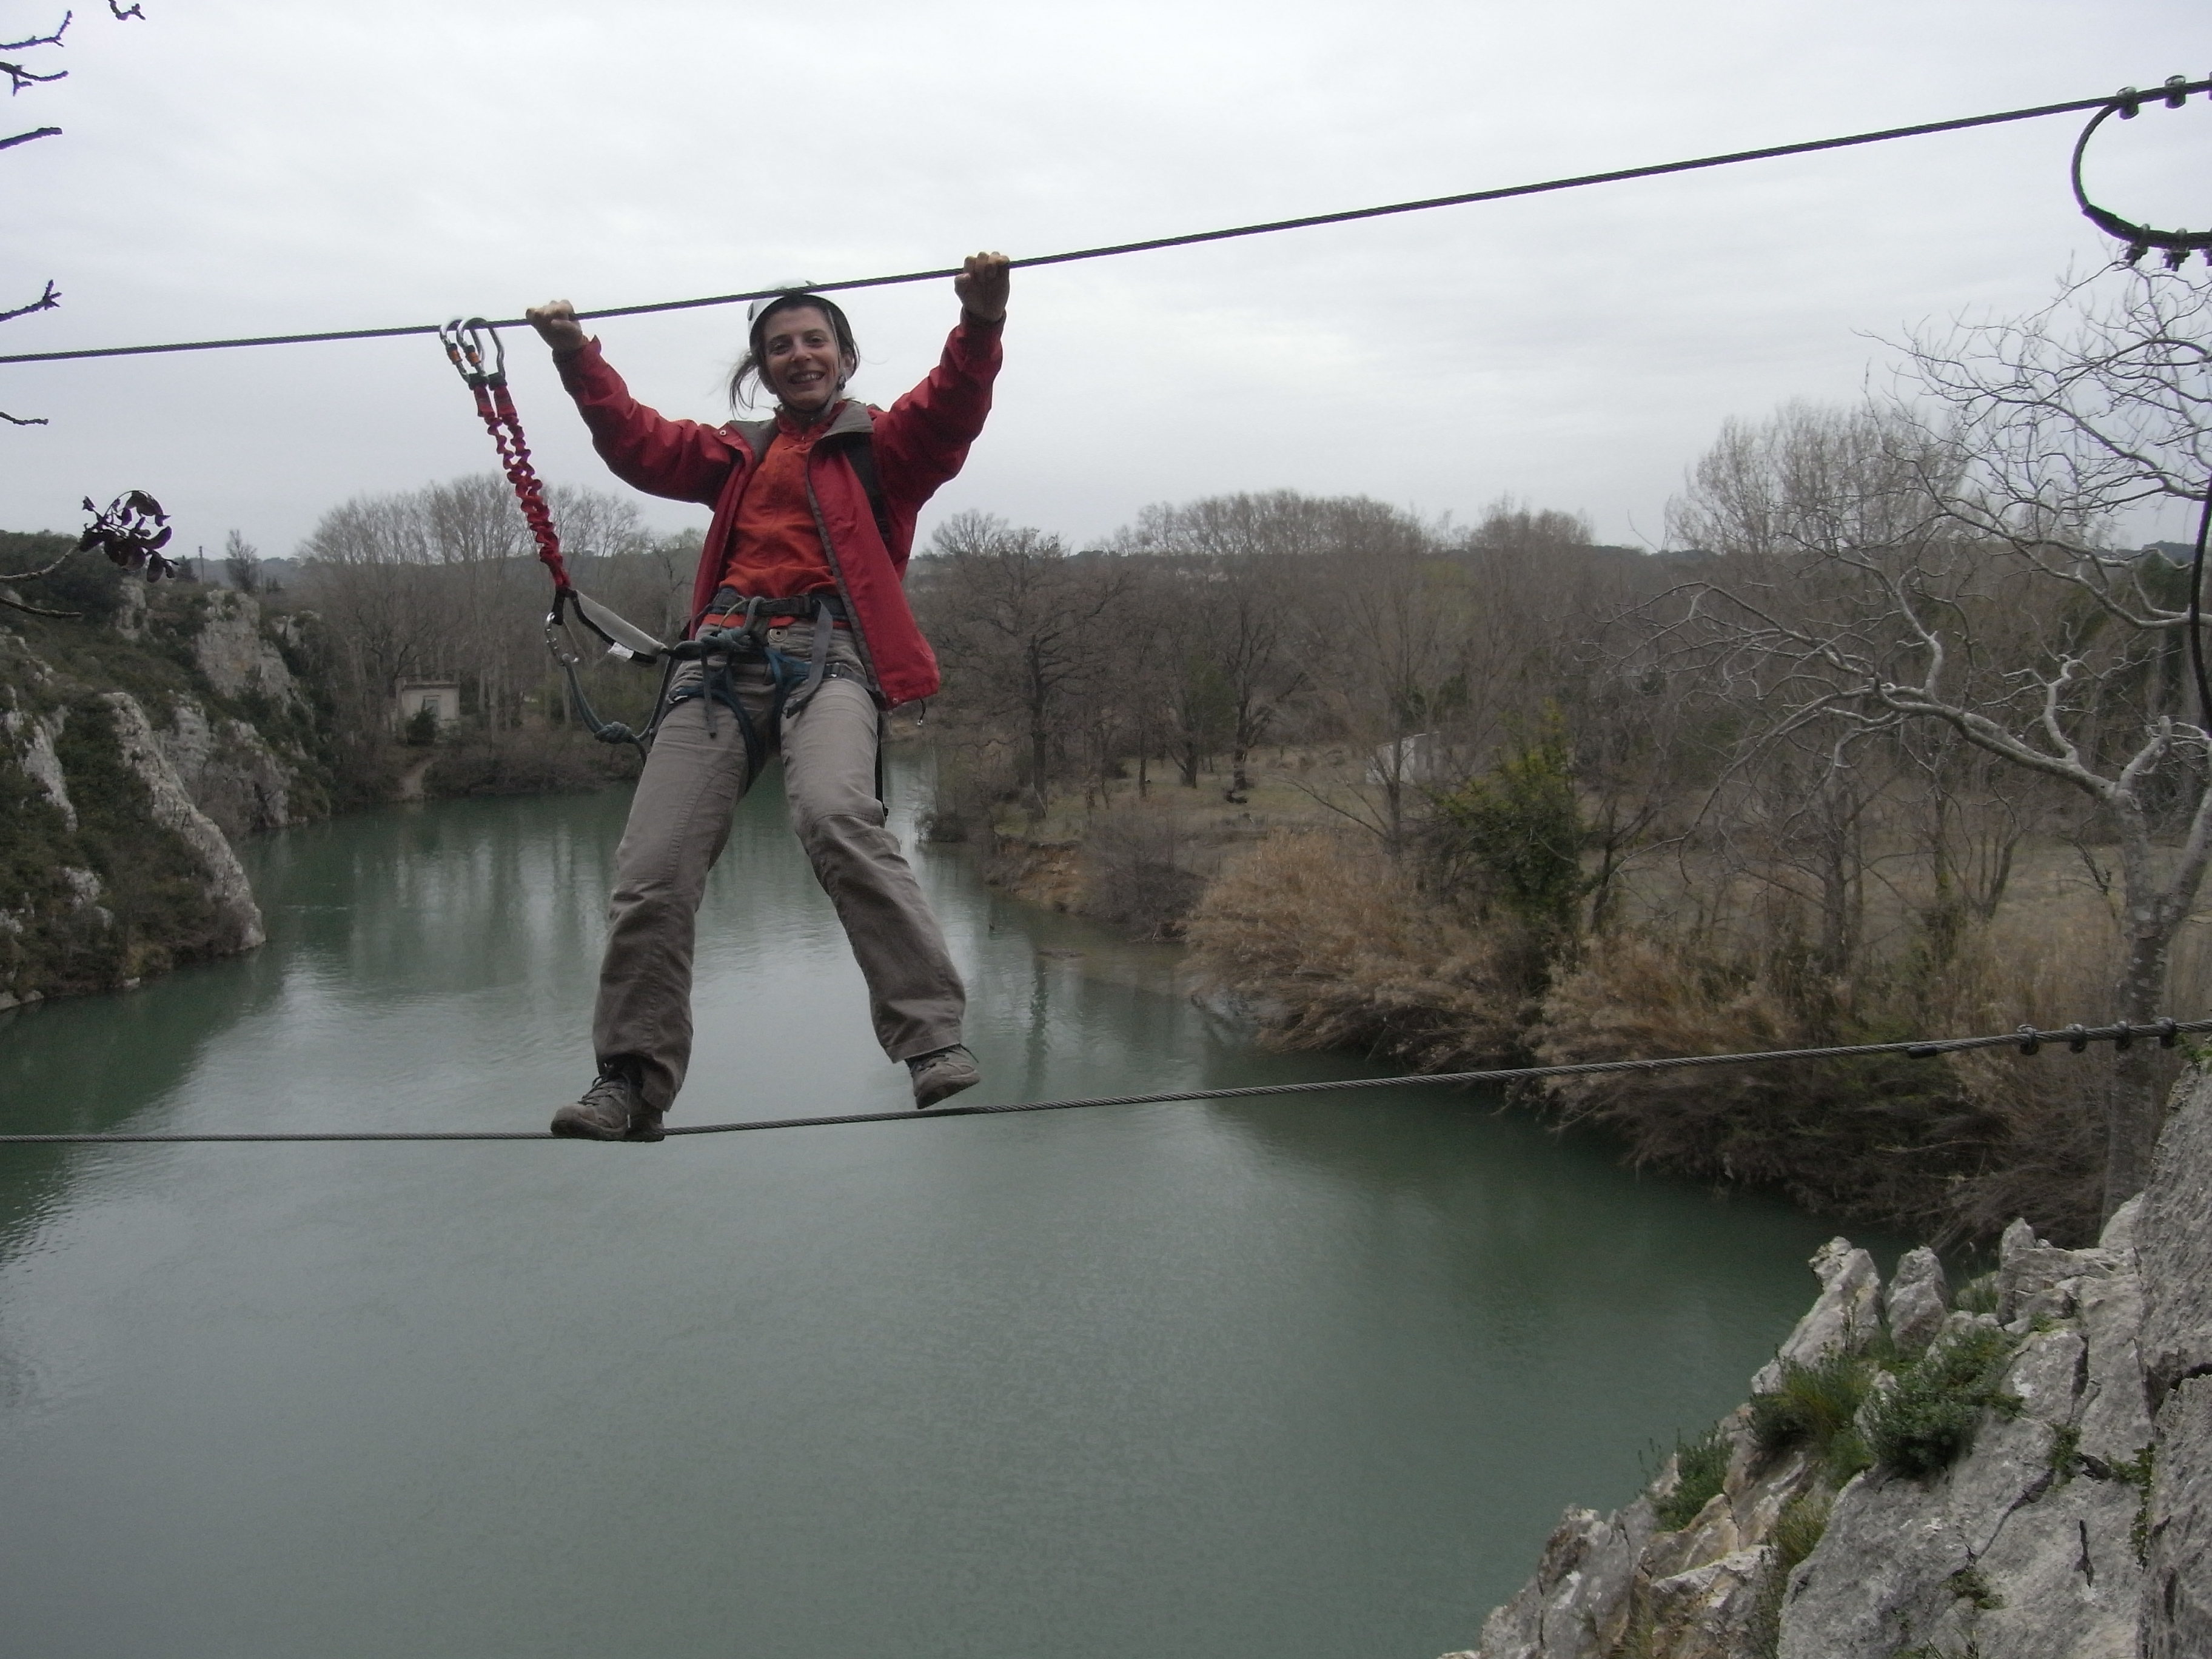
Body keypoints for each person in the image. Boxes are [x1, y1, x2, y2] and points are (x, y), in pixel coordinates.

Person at [524, 253, 1011, 1141]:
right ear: (763, 368)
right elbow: (638, 442)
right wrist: (574, 355)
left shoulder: (883, 447)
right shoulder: (735, 455)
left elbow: (952, 410)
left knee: (836, 814)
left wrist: (980, 323)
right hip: (719, 663)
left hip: (829, 654)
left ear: (844, 358)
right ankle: (630, 1083)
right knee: (651, 869)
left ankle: (930, 1037)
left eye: (815, 340)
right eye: (781, 346)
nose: (799, 355)